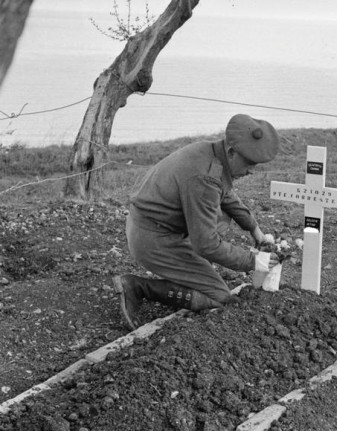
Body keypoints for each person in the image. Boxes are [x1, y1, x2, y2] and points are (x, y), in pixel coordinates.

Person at [113, 113, 280, 330]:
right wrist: (255, 261)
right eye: (250, 163)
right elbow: (206, 244)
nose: (251, 171)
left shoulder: (212, 153)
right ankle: (138, 287)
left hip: (153, 226)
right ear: (231, 152)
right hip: (152, 238)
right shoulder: (205, 177)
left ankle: (187, 267)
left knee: (220, 220)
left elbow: (225, 193)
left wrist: (254, 229)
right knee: (220, 298)